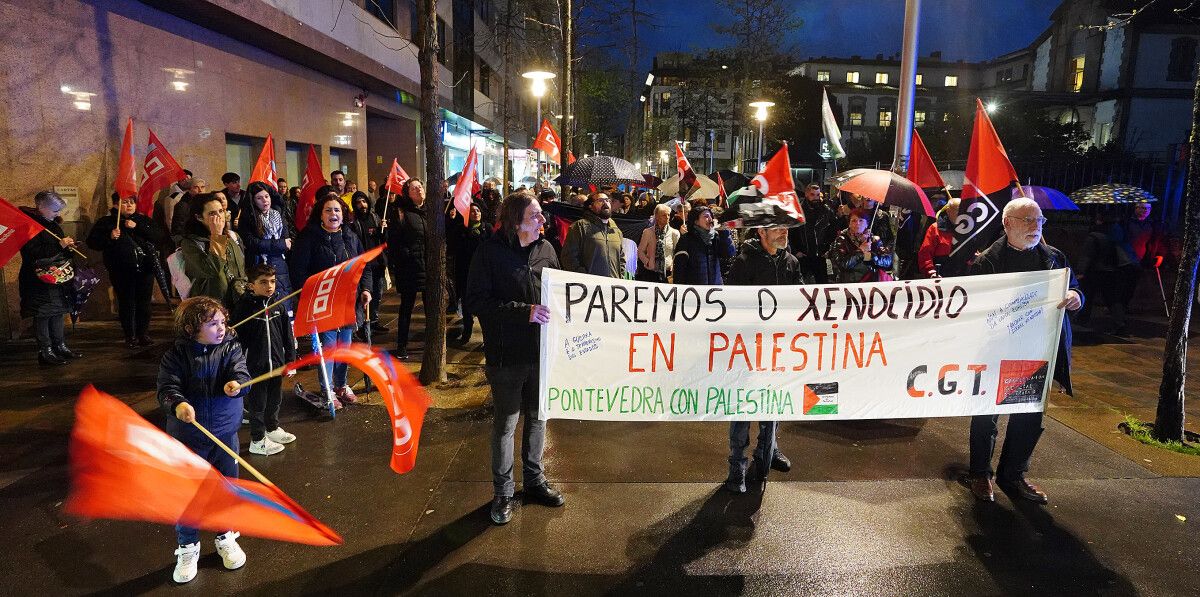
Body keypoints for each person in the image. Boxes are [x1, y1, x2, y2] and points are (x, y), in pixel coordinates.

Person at [966, 197, 1083, 504]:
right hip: (994, 352)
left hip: (1035, 353)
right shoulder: (986, 262)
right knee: (985, 416)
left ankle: (1014, 475)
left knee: (1028, 416)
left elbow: (1077, 289)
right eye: (1028, 220)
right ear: (1007, 224)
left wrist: (1074, 296)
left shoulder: (1055, 258)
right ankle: (980, 473)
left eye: (1040, 220)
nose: (1036, 227)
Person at [465, 191, 564, 525]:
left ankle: (534, 482)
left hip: (541, 354)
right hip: (507, 357)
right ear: (515, 220)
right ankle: (503, 492)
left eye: (541, 215)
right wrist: (526, 312)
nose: (542, 220)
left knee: (538, 419)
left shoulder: (547, 250)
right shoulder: (489, 253)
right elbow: (478, 302)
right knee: (506, 425)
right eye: (535, 215)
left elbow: (561, 295)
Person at [157, 296, 250, 584]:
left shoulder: (231, 346)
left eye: (222, 321)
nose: (221, 328)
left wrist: (237, 383)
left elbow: (241, 371)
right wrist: (178, 404)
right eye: (212, 324)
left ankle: (225, 536)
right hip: (189, 437)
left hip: (224, 433)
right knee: (189, 493)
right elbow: (167, 388)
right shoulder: (175, 356)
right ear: (190, 328)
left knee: (225, 489)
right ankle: (188, 545)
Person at [724, 224, 799, 492]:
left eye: (785, 229)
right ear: (761, 234)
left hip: (778, 349)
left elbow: (799, 299)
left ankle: (767, 451)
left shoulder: (791, 262)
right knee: (744, 408)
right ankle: (737, 466)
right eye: (776, 229)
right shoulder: (743, 262)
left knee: (773, 404)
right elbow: (730, 304)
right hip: (749, 349)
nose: (783, 233)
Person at [289, 190, 371, 405]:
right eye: (328, 210)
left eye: (337, 210)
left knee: (343, 347)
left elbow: (363, 266)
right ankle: (327, 389)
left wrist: (366, 289)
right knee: (328, 348)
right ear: (320, 214)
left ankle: (341, 384)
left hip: (347, 302)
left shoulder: (351, 237)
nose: (333, 214)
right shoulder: (309, 237)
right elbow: (298, 271)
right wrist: (309, 293)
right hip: (322, 302)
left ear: (343, 214)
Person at [231, 264, 298, 456]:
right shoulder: (245, 308)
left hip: (276, 364)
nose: (269, 286)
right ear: (251, 285)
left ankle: (272, 428)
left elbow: (287, 335)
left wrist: (290, 359)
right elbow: (238, 341)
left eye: (272, 281)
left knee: (275, 399)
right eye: (263, 282)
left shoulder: (279, 304)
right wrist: (238, 367)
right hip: (255, 366)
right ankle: (258, 439)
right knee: (257, 404)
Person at [85, 193, 164, 347]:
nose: (129, 205)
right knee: (126, 302)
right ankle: (130, 335)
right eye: (125, 202)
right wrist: (110, 236)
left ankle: (143, 333)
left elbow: (158, 236)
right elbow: (92, 242)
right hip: (121, 270)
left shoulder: (142, 220)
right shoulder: (107, 222)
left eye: (132, 202)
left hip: (145, 269)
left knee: (144, 303)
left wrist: (138, 227)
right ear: (116, 204)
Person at [19, 191, 82, 366]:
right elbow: (33, 252)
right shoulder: (30, 226)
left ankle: (60, 345)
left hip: (57, 277)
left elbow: (57, 248)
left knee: (58, 312)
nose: (58, 214)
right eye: (55, 210)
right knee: (44, 314)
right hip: (38, 279)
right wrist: (58, 245)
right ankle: (45, 350)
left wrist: (68, 247)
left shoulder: (53, 225)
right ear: (41, 208)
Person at [384, 178, 428, 359]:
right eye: (414, 188)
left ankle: (431, 341)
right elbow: (394, 242)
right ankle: (402, 345)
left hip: (428, 267)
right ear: (407, 193)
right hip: (410, 268)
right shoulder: (401, 212)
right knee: (406, 308)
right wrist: (408, 255)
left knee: (431, 307)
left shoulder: (428, 212)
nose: (419, 190)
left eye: (420, 186)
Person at [179, 193, 247, 308]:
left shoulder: (232, 237)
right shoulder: (191, 243)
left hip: (237, 301)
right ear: (199, 217)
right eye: (212, 213)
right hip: (211, 305)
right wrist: (216, 235)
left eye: (221, 211)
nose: (219, 217)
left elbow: (241, 268)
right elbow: (211, 270)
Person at [1076, 212, 1137, 336]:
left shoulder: (1094, 236)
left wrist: (1081, 271)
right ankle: (1119, 324)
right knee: (1113, 300)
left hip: (1094, 272)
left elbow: (1087, 256)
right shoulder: (1118, 234)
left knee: (1087, 297)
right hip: (1112, 272)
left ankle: (1082, 321)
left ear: (1099, 221)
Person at [237, 182, 293, 310]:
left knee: (283, 302)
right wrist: (279, 245)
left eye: (266, 196)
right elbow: (251, 243)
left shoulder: (277, 214)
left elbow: (287, 241)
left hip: (280, 264)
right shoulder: (248, 217)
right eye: (259, 198)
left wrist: (277, 245)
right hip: (259, 264)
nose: (265, 200)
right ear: (253, 200)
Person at [448, 203, 490, 345]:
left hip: (483, 274)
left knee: (485, 307)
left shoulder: (487, 228)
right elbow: (452, 245)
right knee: (466, 304)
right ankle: (467, 332)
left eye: (478, 210)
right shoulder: (461, 229)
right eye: (472, 211)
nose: (476, 213)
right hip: (465, 272)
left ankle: (487, 338)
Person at [349, 190, 388, 335]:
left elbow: (383, 240)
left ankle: (374, 321)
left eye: (364, 201)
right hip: (363, 265)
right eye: (358, 202)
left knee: (377, 293)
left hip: (377, 262)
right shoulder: (353, 223)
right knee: (364, 294)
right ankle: (362, 324)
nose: (362, 205)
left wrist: (383, 230)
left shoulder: (375, 217)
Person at [561, 192, 625, 278]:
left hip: (612, 287)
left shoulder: (616, 231)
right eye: (600, 200)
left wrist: (620, 277)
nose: (605, 203)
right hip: (590, 288)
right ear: (590, 206)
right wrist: (585, 277)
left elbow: (621, 259)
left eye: (607, 200)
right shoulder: (580, 227)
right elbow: (569, 257)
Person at [672, 204, 734, 285]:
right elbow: (679, 269)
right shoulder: (686, 240)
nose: (710, 219)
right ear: (696, 221)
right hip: (695, 291)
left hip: (715, 289)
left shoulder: (716, 237)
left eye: (711, 216)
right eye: (706, 216)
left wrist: (724, 231)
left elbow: (729, 253)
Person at [828, 208, 894, 283]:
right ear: (849, 224)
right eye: (853, 221)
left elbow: (888, 262)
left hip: (871, 283)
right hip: (850, 284)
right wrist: (860, 251)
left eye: (861, 220)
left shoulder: (874, 240)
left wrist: (871, 256)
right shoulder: (842, 240)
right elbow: (843, 264)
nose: (857, 223)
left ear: (867, 224)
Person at [789, 184, 837, 284]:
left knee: (823, 284)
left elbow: (833, 230)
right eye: (812, 194)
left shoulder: (826, 210)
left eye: (817, 195)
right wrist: (795, 251)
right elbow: (790, 233)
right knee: (799, 284)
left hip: (820, 254)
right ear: (806, 194)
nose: (816, 197)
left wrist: (828, 249)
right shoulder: (797, 210)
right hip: (803, 254)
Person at [917, 199, 961, 278]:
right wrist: (930, 272)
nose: (961, 214)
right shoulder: (935, 228)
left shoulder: (966, 230)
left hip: (962, 276)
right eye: (958, 210)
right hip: (940, 276)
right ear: (948, 211)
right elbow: (925, 254)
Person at [636, 203, 680, 283]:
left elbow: (677, 253)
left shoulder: (675, 233)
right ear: (657, 216)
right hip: (650, 272)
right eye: (664, 215)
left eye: (668, 215)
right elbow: (640, 251)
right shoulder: (648, 232)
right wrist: (647, 262)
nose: (667, 217)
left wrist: (673, 266)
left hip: (668, 273)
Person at [170, 177, 207, 241]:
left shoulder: (205, 203)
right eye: (196, 187)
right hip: (188, 240)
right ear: (189, 190)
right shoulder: (183, 205)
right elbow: (178, 230)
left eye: (202, 187)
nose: (200, 190)